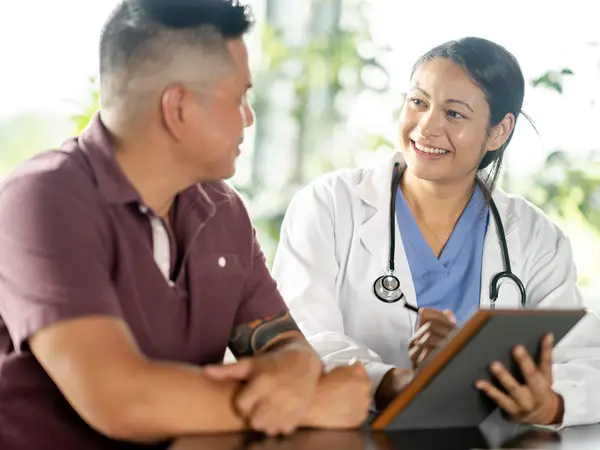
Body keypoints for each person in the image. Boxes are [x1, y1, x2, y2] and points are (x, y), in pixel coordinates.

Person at [0, 0, 371, 448]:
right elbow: (121, 400)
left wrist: (295, 366)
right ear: (178, 107)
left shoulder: (224, 209)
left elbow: (282, 343)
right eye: (239, 98)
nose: (249, 118)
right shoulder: (43, 199)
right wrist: (312, 404)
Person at [271, 36, 600, 428]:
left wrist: (547, 403)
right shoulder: (330, 206)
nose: (426, 127)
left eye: (454, 114)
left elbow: (585, 361)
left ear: (499, 131)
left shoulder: (534, 237)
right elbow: (300, 340)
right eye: (418, 102)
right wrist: (400, 382)